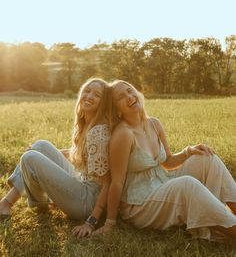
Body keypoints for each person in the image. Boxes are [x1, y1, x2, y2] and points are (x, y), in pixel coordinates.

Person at [94, 80, 236, 241]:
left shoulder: (154, 124)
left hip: (161, 181)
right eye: (121, 97)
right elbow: (117, 182)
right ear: (116, 109)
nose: (129, 97)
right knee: (186, 184)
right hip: (140, 205)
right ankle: (231, 226)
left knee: (208, 159)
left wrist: (188, 151)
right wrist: (110, 223)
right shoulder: (123, 134)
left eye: (130, 91)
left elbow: (167, 162)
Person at [0, 78, 111, 238]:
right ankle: (6, 203)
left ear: (103, 103)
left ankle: (38, 203)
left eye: (97, 94)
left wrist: (91, 221)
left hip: (87, 202)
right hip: (82, 184)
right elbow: (77, 152)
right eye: (87, 91)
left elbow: (108, 182)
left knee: (30, 157)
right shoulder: (88, 124)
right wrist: (43, 153)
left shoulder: (98, 133)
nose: (89, 96)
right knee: (40, 146)